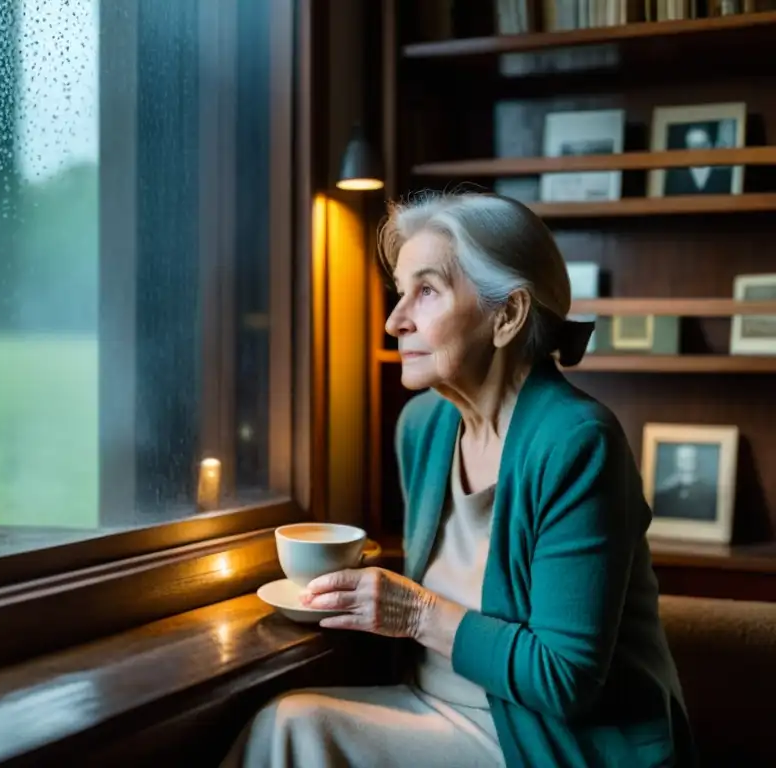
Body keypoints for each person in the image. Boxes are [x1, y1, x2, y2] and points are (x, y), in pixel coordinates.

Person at [220, 192, 693, 767]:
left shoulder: (577, 442)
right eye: (401, 292)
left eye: (426, 291)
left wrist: (417, 613)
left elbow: (566, 679)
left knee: (290, 731)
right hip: (430, 708)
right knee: (291, 725)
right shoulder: (422, 426)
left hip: (550, 743)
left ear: (509, 316)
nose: (396, 320)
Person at [653, 444, 718, 522]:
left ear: (696, 461)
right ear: (677, 461)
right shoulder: (666, 492)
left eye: (690, 458)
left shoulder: (709, 492)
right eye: (683, 459)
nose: (687, 462)